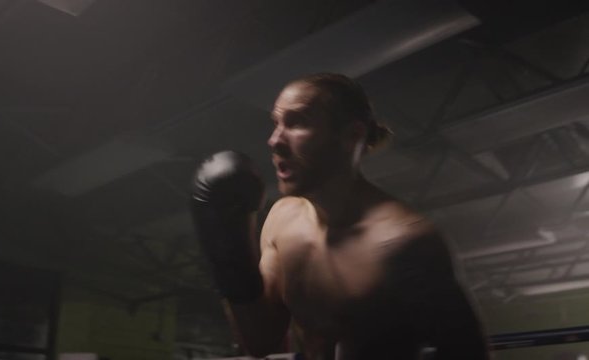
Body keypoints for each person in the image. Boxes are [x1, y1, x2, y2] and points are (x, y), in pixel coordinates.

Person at [191, 73, 489, 360]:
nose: (274, 140)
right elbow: (260, 339)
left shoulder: (406, 242)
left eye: (297, 122)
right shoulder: (282, 219)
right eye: (276, 123)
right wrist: (227, 252)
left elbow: (468, 353)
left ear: (352, 135)